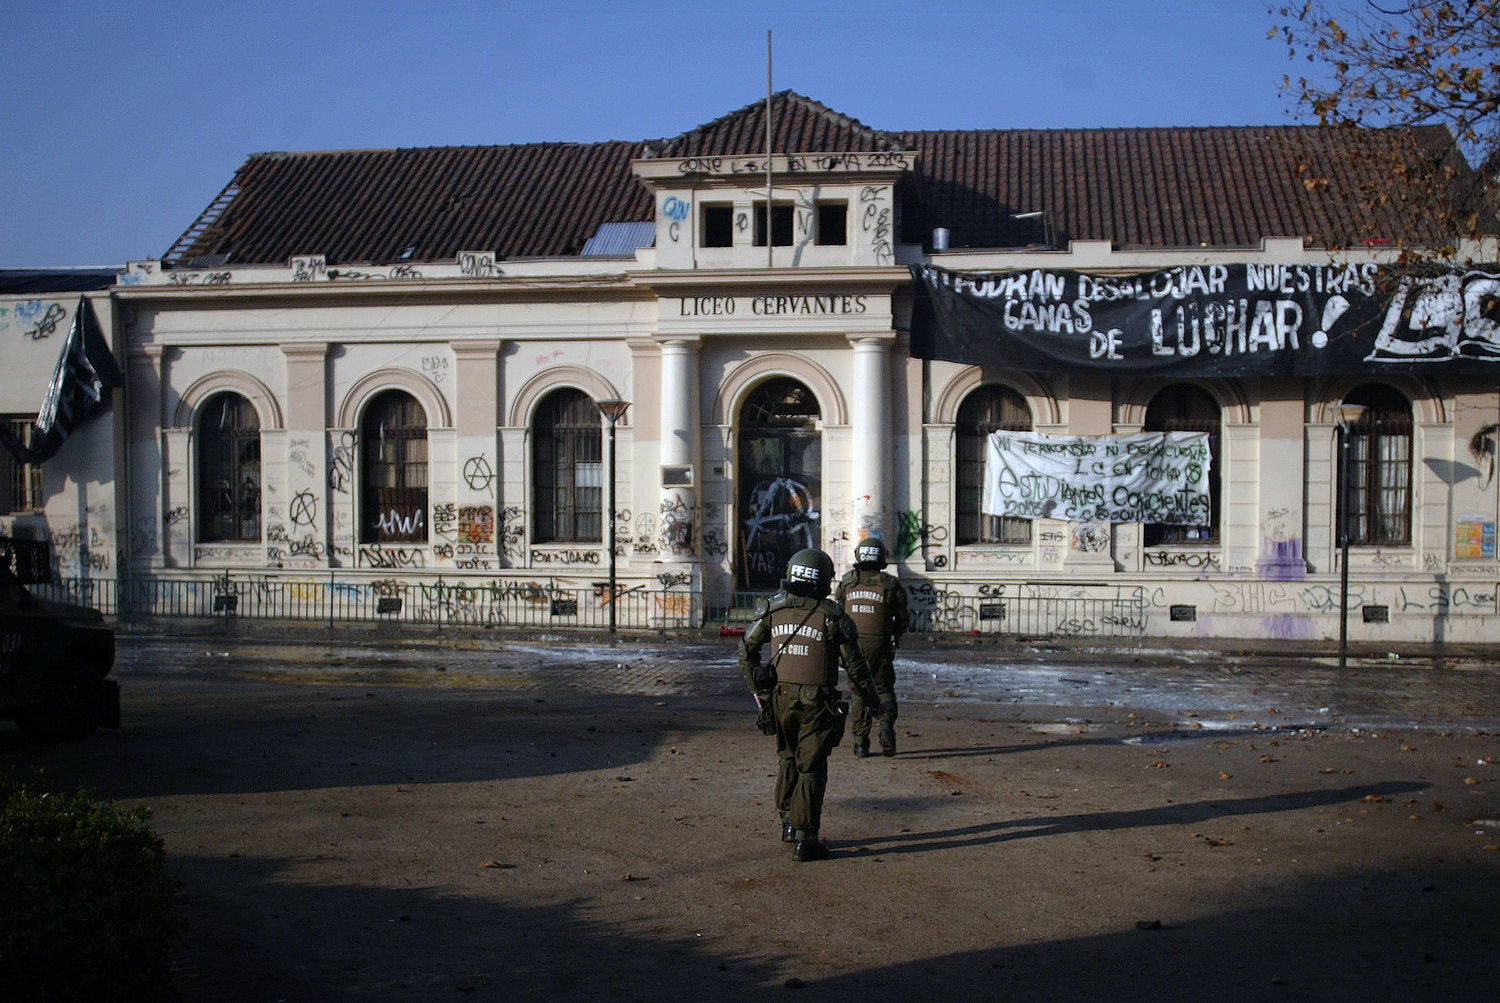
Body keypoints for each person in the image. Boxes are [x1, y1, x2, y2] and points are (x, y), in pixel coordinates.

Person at [738, 547, 892, 861]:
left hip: (779, 699)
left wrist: (758, 690)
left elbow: (746, 652)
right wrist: (874, 703)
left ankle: (788, 824)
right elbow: (856, 667)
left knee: (787, 759)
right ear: (822, 579)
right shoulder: (832, 616)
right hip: (816, 702)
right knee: (811, 768)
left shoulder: (771, 609)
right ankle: (807, 838)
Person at [834, 537, 909, 757]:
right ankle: (885, 729)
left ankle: (860, 743)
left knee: (858, 693)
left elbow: (839, 614)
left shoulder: (847, 583)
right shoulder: (890, 584)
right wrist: (892, 632)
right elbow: (903, 619)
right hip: (881, 644)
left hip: (853, 647)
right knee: (884, 689)